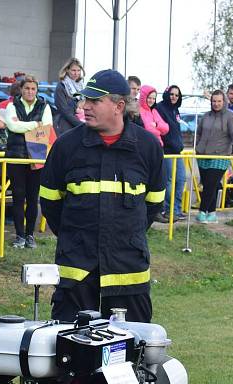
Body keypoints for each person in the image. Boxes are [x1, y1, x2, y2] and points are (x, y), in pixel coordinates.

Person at [39, 69, 165, 323]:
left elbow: (153, 205)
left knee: (129, 355)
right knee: (71, 354)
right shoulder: (66, 146)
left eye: (95, 101)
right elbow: (50, 203)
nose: (85, 106)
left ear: (119, 105)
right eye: (85, 100)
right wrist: (74, 239)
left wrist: (126, 237)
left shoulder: (148, 147)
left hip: (128, 273)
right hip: (76, 272)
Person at [3, 75, 52, 249]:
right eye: (27, 88)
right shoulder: (11, 105)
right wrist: (35, 124)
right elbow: (12, 126)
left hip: (36, 156)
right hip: (16, 156)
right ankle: (19, 236)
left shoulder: (44, 106)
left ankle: (30, 235)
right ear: (21, 90)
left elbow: (46, 126)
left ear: (37, 90)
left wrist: (25, 124)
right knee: (18, 196)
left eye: (33, 89)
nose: (30, 91)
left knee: (32, 197)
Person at [195, 89, 233, 223]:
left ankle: (202, 211)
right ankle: (211, 214)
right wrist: (197, 147)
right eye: (214, 101)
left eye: (219, 101)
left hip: (220, 156)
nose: (216, 104)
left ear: (224, 102)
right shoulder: (206, 116)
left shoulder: (231, 116)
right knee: (209, 185)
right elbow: (199, 133)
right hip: (203, 156)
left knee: (211, 184)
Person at [155, 85, 187, 222]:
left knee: (181, 179)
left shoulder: (176, 110)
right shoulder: (159, 108)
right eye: (172, 94)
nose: (174, 97)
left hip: (177, 151)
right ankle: (168, 210)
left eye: (177, 95)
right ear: (167, 94)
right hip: (166, 151)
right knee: (168, 181)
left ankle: (177, 210)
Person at [53, 57, 84, 136]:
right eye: (73, 70)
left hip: (79, 126)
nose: (76, 73)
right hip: (65, 127)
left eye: (78, 70)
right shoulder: (61, 86)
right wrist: (81, 125)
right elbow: (65, 111)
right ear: (67, 70)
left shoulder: (81, 86)